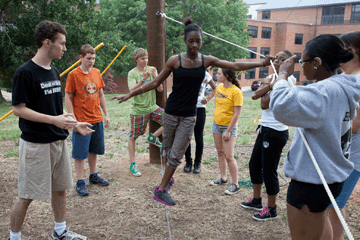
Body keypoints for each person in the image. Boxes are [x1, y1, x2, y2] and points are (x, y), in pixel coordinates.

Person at [112, 17, 274, 206]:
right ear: (185, 41)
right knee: (167, 150)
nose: (195, 45)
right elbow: (155, 83)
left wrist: (262, 64)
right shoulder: (175, 60)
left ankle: (161, 189)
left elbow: (234, 66)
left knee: (177, 153)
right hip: (171, 112)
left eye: (198, 41)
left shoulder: (206, 61)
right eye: (191, 41)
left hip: (190, 115)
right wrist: (129, 94)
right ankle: (168, 178)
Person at [268, 34, 359, 239]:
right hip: (331, 177)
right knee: (320, 224)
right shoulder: (341, 88)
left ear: (316, 62)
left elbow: (281, 107)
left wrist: (282, 76)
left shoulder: (324, 92)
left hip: (312, 182)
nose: (301, 66)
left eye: (303, 62)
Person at [10, 20, 92, 240]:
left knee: (61, 189)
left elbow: (56, 111)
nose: (64, 48)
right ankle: (14, 237)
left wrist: (75, 125)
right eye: (61, 43)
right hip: (36, 144)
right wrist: (54, 121)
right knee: (26, 196)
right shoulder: (24, 73)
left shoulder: (54, 71)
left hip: (58, 142)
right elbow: (18, 109)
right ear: (47, 43)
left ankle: (60, 231)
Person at [241, 50, 295, 221]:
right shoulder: (271, 78)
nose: (277, 61)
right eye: (276, 58)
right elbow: (261, 100)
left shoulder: (289, 80)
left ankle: (271, 209)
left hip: (276, 131)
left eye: (282, 59)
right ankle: (257, 200)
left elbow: (265, 103)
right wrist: (270, 85)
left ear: (289, 63)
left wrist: (269, 87)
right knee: (254, 165)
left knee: (268, 170)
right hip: (264, 127)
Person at [320, 31, 360, 240]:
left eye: (341, 49)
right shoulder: (344, 78)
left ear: (352, 52)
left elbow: (354, 127)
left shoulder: (358, 81)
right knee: (333, 205)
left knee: (332, 206)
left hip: (350, 159)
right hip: (338, 157)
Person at [65, 44, 110, 197]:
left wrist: (106, 114)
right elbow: (68, 97)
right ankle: (80, 182)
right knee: (80, 153)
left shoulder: (97, 73)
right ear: (81, 57)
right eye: (88, 58)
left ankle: (93, 176)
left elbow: (101, 95)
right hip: (82, 121)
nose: (91, 61)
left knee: (94, 150)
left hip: (96, 118)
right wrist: (73, 120)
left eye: (93, 58)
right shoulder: (73, 75)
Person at [126, 48, 164, 177]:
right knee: (133, 137)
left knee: (171, 118)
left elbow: (160, 89)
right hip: (138, 110)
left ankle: (153, 136)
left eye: (146, 58)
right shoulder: (132, 73)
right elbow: (131, 90)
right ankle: (133, 164)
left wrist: (155, 77)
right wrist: (143, 79)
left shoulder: (152, 69)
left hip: (152, 107)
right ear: (136, 59)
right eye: (142, 58)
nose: (145, 60)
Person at [209, 68, 243, 195]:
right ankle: (223, 178)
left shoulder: (236, 92)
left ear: (227, 76)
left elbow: (237, 114)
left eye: (218, 73)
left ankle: (236, 184)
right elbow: (217, 104)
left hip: (229, 127)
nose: (216, 75)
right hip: (216, 125)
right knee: (220, 152)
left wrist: (228, 131)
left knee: (229, 156)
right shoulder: (218, 88)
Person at [184, 69, 216, 174]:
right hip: (187, 108)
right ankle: (188, 162)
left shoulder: (204, 74)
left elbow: (215, 88)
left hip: (200, 108)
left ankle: (197, 163)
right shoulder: (185, 72)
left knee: (199, 137)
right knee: (187, 136)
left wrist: (208, 98)